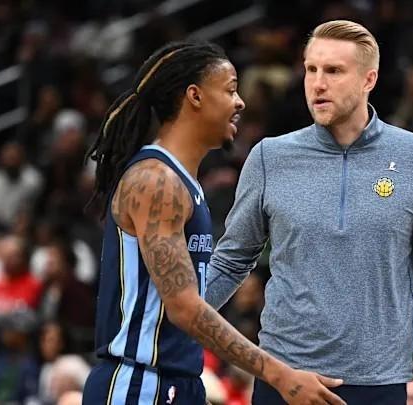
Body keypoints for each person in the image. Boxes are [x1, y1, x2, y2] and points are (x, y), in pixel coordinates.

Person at [207, 20, 413, 405]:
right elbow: (230, 261)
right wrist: (169, 323)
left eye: (333, 71)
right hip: (285, 379)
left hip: (379, 384)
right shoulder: (269, 157)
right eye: (311, 69)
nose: (317, 83)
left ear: (368, 79)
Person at [81, 41, 345, 405]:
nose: (241, 102)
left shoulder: (182, 182)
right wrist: (279, 374)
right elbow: (185, 308)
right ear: (195, 96)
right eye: (230, 90)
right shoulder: (156, 181)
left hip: (177, 381)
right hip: (139, 384)